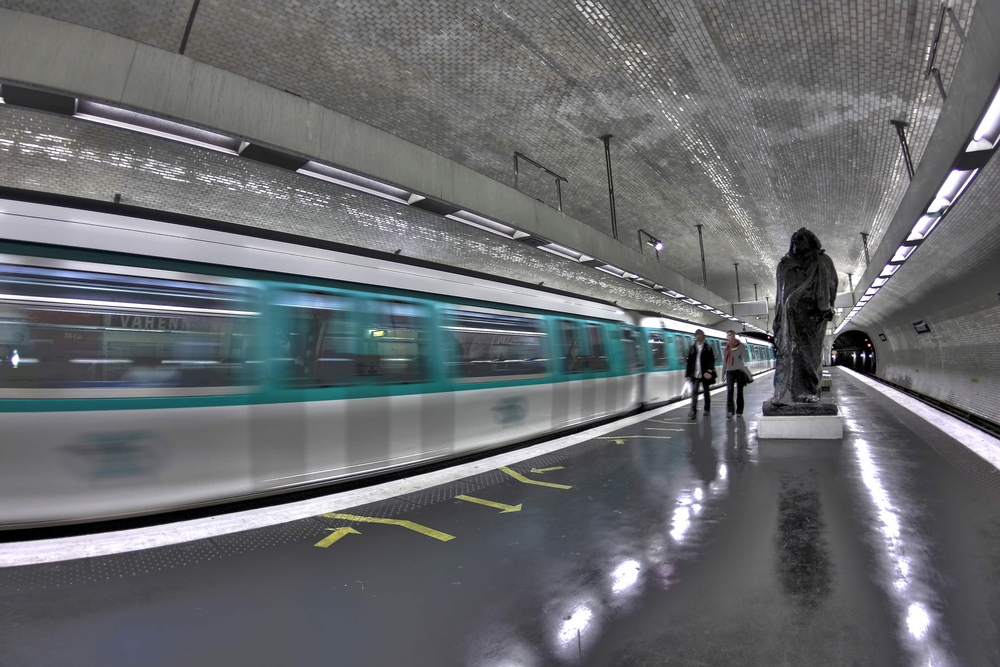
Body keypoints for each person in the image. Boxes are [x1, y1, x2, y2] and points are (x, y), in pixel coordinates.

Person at [768, 228, 838, 408]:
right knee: (787, 354)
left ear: (811, 241)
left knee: (810, 356)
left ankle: (808, 392)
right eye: (793, 240)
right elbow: (779, 295)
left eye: (800, 239)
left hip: (813, 318)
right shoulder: (784, 264)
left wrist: (828, 306)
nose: (796, 243)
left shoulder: (823, 262)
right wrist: (777, 319)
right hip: (789, 320)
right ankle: (783, 393)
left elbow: (832, 285)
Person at [685, 329, 716, 419]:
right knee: (694, 391)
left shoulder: (708, 348)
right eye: (696, 335)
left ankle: (707, 410)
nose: (698, 336)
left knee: (706, 392)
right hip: (695, 374)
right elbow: (689, 362)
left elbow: (711, 361)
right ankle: (693, 411)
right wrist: (688, 374)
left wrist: (709, 371)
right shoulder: (692, 348)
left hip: (705, 373)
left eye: (699, 334)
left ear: (703, 336)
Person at [722, 330, 748, 419]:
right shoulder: (726, 348)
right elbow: (725, 361)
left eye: (732, 335)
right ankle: (730, 411)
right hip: (730, 371)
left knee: (740, 392)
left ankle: (739, 411)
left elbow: (746, 357)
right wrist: (723, 374)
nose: (730, 336)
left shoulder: (741, 346)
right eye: (729, 335)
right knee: (730, 391)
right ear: (727, 337)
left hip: (739, 370)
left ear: (734, 335)